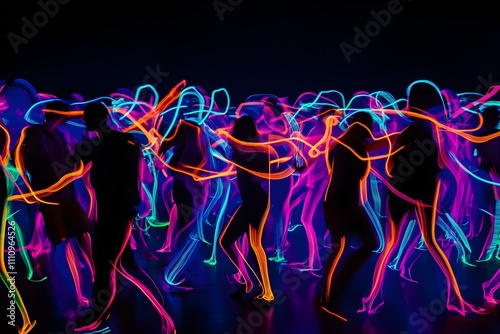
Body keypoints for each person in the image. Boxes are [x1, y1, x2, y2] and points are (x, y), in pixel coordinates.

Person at [74, 101, 142, 329]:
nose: (83, 120)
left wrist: (131, 204)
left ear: (97, 118)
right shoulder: (111, 142)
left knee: (106, 264)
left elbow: (125, 174)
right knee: (114, 265)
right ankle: (99, 314)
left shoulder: (114, 143)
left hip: (117, 211)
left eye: (86, 116)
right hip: (113, 211)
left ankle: (98, 317)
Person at [20, 100, 93, 305]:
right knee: (60, 241)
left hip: (66, 195)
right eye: (65, 116)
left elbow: (68, 162)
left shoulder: (59, 136)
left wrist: (80, 158)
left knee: (83, 231)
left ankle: (95, 275)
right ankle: (73, 293)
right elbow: (29, 161)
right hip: (48, 196)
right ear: (59, 116)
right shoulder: (34, 133)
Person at [321, 110, 392, 314]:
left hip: (343, 203)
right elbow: (373, 146)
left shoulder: (346, 146)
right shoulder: (352, 148)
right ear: (364, 127)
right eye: (371, 126)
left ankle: (332, 292)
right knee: (342, 248)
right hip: (341, 204)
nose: (373, 130)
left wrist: (398, 136)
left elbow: (376, 144)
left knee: (357, 245)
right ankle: (328, 296)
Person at [219, 115, 274, 302]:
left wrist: (242, 162)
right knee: (226, 241)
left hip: (257, 202)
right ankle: (248, 281)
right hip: (249, 201)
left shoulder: (258, 153)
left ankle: (267, 291)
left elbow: (258, 179)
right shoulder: (240, 152)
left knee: (255, 246)